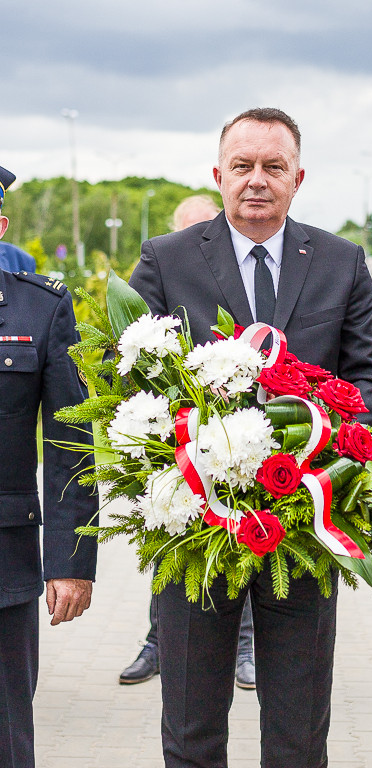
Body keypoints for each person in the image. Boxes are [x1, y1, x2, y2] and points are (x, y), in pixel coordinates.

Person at [130, 107, 372, 768]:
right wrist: (174, 454)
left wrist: (325, 452)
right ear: (218, 175)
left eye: (273, 167)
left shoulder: (340, 261)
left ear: (297, 177)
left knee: (299, 730)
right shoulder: (167, 259)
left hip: (303, 525)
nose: (257, 180)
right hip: (195, 529)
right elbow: (126, 367)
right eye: (242, 166)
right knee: (191, 726)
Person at [120, 194, 257, 690]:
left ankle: (245, 649)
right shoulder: (167, 262)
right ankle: (157, 642)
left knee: (239, 545)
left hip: (243, 444)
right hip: (179, 446)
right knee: (174, 552)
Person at [0, 165, 98, 768]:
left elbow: (69, 445)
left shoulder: (40, 312)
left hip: (5, 564)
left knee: (7, 734)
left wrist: (70, 562)